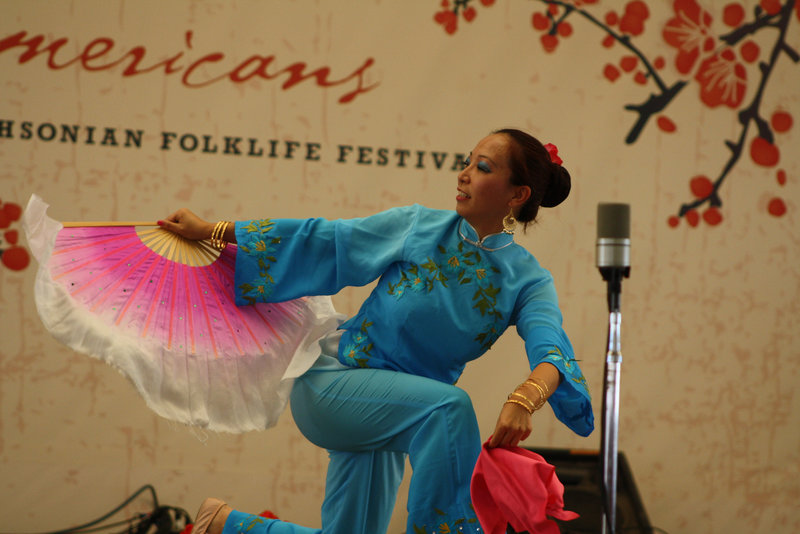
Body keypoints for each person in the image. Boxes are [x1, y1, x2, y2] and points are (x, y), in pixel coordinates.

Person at [159, 128, 594, 534]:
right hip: (338, 385)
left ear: (517, 194)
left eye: (482, 167)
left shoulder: (528, 280)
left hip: (396, 411)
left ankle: (224, 524)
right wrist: (215, 231)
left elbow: (552, 353)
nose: (462, 174)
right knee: (450, 409)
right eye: (467, 162)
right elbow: (325, 241)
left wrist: (525, 399)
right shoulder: (419, 226)